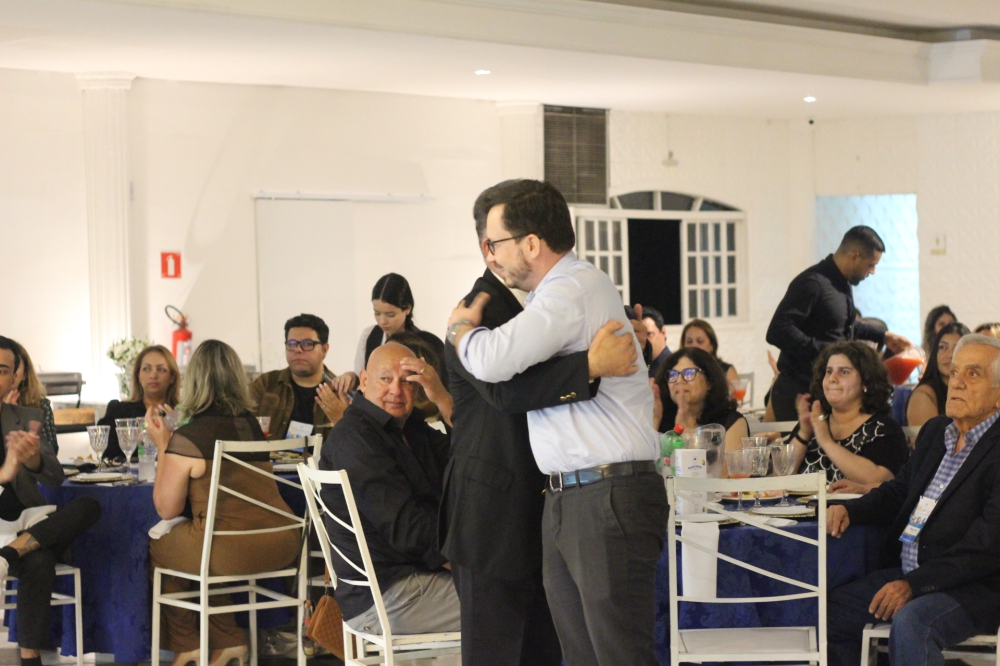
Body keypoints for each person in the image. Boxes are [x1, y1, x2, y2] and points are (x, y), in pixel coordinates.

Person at [448, 179, 665, 666]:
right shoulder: (558, 294)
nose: (491, 256)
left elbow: (492, 360)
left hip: (607, 493)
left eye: (495, 242)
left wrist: (459, 329)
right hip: (572, 494)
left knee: (619, 656)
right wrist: (588, 365)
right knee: (583, 656)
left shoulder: (572, 287)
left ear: (531, 243)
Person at [826, 334, 1000, 666]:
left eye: (973, 374)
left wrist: (913, 585)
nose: (957, 382)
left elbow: (987, 547)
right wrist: (850, 510)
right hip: (908, 571)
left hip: (973, 587)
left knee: (913, 623)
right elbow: (899, 491)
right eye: (955, 371)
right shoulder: (937, 431)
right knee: (831, 611)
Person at [146, 340, 302, 666]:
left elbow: (166, 508)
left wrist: (163, 445)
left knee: (163, 545)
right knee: (207, 540)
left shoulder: (189, 437)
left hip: (228, 550)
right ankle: (230, 641)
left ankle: (188, 645)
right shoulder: (251, 427)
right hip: (284, 543)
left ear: (195, 381)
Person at [320, 342, 458, 636]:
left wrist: (442, 397)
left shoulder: (409, 428)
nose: (396, 390)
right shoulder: (356, 437)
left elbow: (468, 462)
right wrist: (469, 561)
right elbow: (408, 530)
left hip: (416, 576)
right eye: (385, 379)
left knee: (515, 586)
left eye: (407, 382)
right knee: (514, 601)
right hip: (384, 595)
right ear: (364, 380)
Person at [0, 336, 101, 666]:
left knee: (89, 506)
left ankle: (8, 555)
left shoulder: (25, 415)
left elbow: (55, 476)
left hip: (25, 524)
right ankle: (31, 659)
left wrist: (34, 461)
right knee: (40, 558)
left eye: (2, 370)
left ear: (15, 377)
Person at [766, 226, 910, 421]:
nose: (873, 271)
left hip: (825, 388)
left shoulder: (842, 284)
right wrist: (830, 353)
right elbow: (778, 330)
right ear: (855, 256)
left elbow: (844, 326)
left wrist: (883, 336)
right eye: (871, 265)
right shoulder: (812, 282)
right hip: (799, 391)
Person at [788, 342, 908, 486]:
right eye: (828, 371)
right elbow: (779, 479)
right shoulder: (814, 422)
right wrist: (803, 433)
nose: (832, 378)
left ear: (866, 382)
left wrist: (826, 442)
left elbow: (880, 481)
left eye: (844, 372)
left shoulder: (884, 429)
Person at [333, 274, 445, 394]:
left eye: (390, 315)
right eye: (377, 313)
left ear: (408, 308)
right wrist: (351, 377)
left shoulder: (424, 344)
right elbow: (361, 378)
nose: (382, 321)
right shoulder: (370, 335)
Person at [249, 314, 348, 440]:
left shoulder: (340, 393)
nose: (298, 350)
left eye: (307, 344)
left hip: (320, 454)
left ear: (324, 349)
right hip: (271, 453)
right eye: (291, 344)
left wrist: (342, 418)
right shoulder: (265, 385)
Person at [654, 348, 749, 456]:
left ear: (709, 382)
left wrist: (688, 436)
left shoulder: (729, 422)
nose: (679, 381)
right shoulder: (662, 418)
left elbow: (727, 466)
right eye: (673, 375)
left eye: (689, 373)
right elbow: (648, 464)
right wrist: (655, 420)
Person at [97, 344, 180, 462]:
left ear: (172, 377)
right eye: (146, 369)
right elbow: (108, 457)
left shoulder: (183, 413)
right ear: (138, 376)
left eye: (161, 369)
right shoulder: (119, 410)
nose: (153, 375)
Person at [907, 322, 971, 429]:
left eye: (957, 348)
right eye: (943, 347)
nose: (949, 355)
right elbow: (928, 439)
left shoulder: (971, 390)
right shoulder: (923, 396)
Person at [2, 340, 58, 455]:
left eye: (16, 367)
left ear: (25, 374)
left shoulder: (40, 405)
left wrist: (17, 417)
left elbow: (51, 452)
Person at [681, 319, 739, 384]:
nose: (694, 345)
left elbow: (737, 389)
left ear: (712, 346)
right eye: (689, 341)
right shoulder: (678, 371)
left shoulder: (725, 371)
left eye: (700, 341)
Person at [642, 306, 671, 378]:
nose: (644, 340)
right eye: (640, 335)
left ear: (663, 332)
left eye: (649, 334)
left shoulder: (672, 367)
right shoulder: (642, 366)